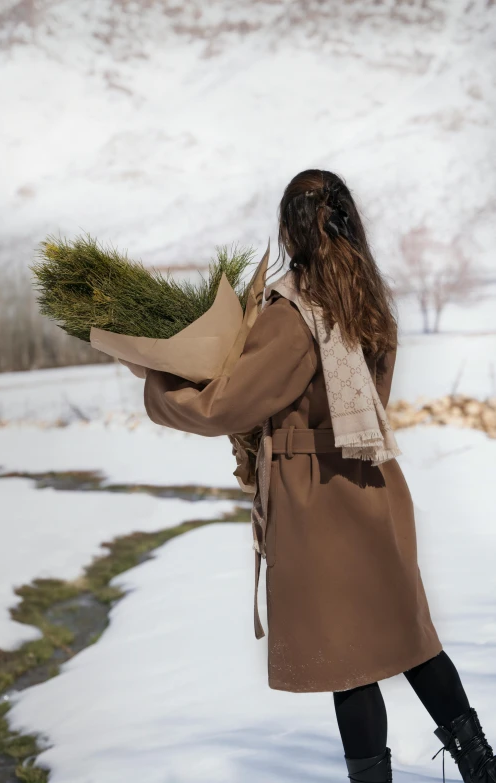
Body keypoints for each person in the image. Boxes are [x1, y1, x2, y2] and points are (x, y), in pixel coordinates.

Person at [143, 169, 496, 783]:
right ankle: (482, 767)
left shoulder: (293, 314)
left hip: (317, 501)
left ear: (289, 230)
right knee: (410, 640)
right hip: (374, 487)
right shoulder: (368, 299)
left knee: (347, 660)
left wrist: (161, 378)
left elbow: (226, 404)